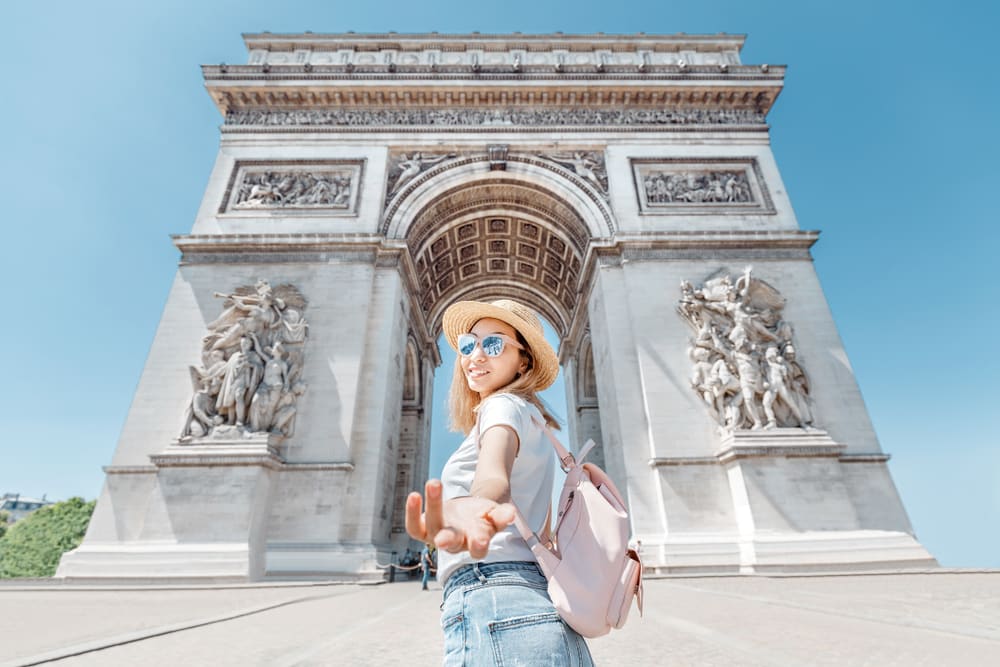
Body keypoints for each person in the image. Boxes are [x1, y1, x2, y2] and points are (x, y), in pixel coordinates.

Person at [405, 299, 594, 666]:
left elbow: (494, 472)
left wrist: (477, 504)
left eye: (493, 344)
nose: (476, 355)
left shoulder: (502, 407)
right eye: (467, 345)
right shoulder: (533, 418)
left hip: (494, 599)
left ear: (524, 360)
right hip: (539, 605)